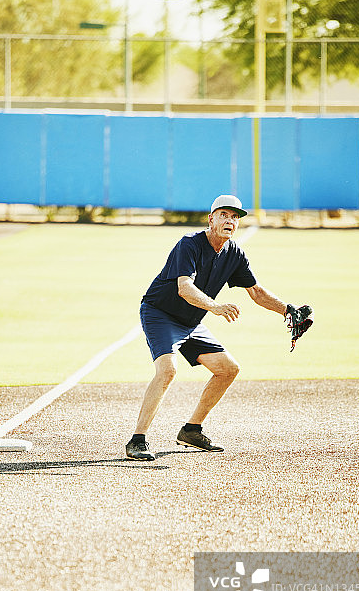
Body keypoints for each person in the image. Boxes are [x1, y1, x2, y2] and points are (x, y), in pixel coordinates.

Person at [125, 194, 307, 461]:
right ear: (211, 219)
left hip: (191, 320)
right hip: (160, 313)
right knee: (167, 371)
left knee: (228, 369)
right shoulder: (189, 244)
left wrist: (287, 310)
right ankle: (137, 440)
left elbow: (255, 291)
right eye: (224, 215)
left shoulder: (234, 253)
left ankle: (191, 430)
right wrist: (216, 307)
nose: (230, 221)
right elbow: (184, 288)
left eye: (235, 217)